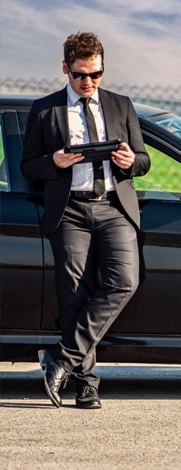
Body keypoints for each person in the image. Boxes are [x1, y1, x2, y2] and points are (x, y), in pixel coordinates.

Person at [21, 32, 150, 408]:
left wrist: (130, 161)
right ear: (65, 68)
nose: (88, 82)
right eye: (80, 74)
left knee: (124, 281)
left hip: (113, 208)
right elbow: (27, 166)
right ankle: (86, 384)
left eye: (96, 74)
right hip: (70, 211)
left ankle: (61, 358)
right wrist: (53, 162)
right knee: (74, 295)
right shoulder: (45, 110)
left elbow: (143, 160)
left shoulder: (121, 105)